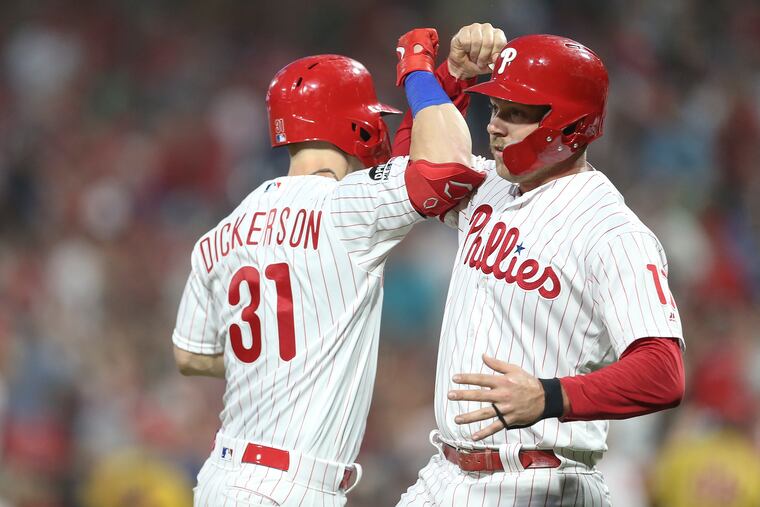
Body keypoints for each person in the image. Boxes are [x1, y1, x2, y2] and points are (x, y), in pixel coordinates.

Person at [171, 27, 498, 505]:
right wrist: (417, 69)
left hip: (222, 477)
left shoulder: (219, 234)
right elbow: (447, 164)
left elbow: (191, 356)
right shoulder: (346, 207)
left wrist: (449, 80)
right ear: (358, 126)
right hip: (290, 488)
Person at [395, 33, 686, 506]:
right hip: (444, 474)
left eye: (516, 113)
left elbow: (662, 372)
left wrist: (550, 396)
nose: (494, 127)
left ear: (571, 126)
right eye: (494, 109)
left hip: (540, 482)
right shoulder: (492, 185)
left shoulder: (612, 232)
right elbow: (414, 170)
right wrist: (450, 76)